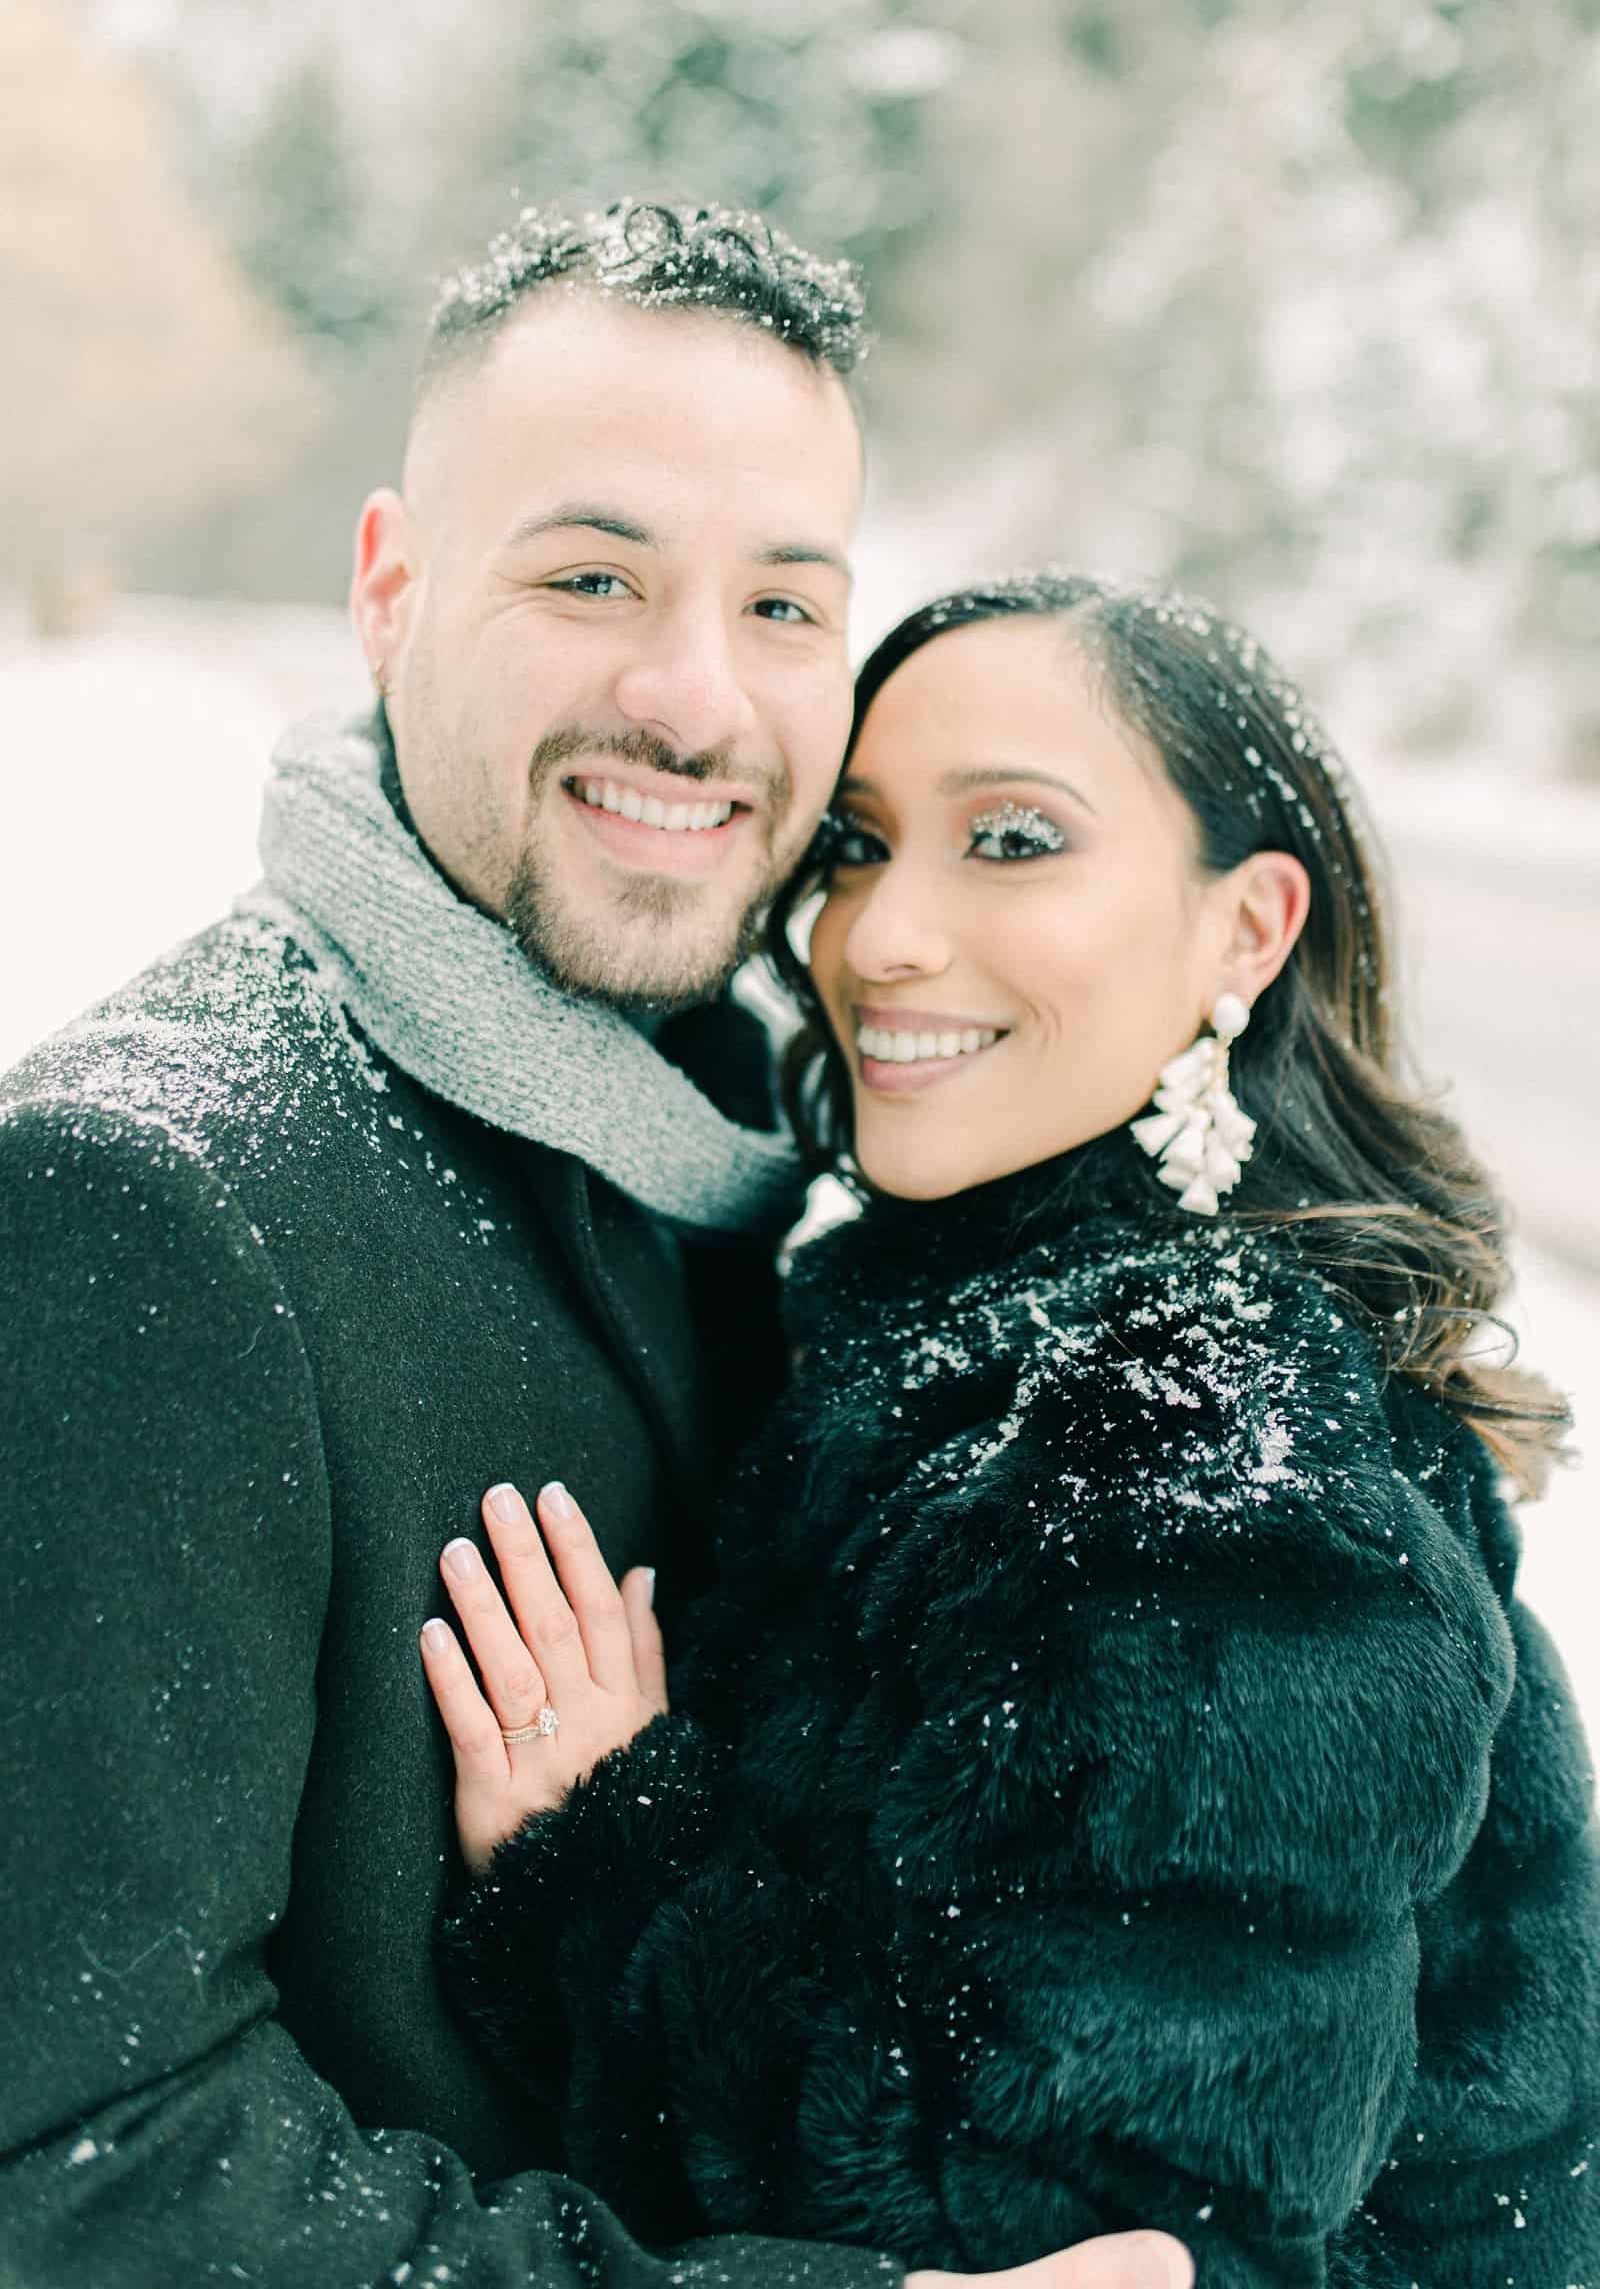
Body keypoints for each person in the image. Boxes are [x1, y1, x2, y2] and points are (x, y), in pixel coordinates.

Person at [0, 207, 1189, 2289]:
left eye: (782, 606)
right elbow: (73, 2157)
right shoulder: (143, 1205)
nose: (692, 700)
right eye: (588, 578)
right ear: (389, 589)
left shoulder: (765, 1156)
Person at [420, 576, 1600, 2285]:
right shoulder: (983, 1332)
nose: (881, 935)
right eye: (856, 846)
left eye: (1015, 842)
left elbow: (1058, 2245)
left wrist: (604, 1845)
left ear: (1247, 931)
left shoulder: (1203, 1458)